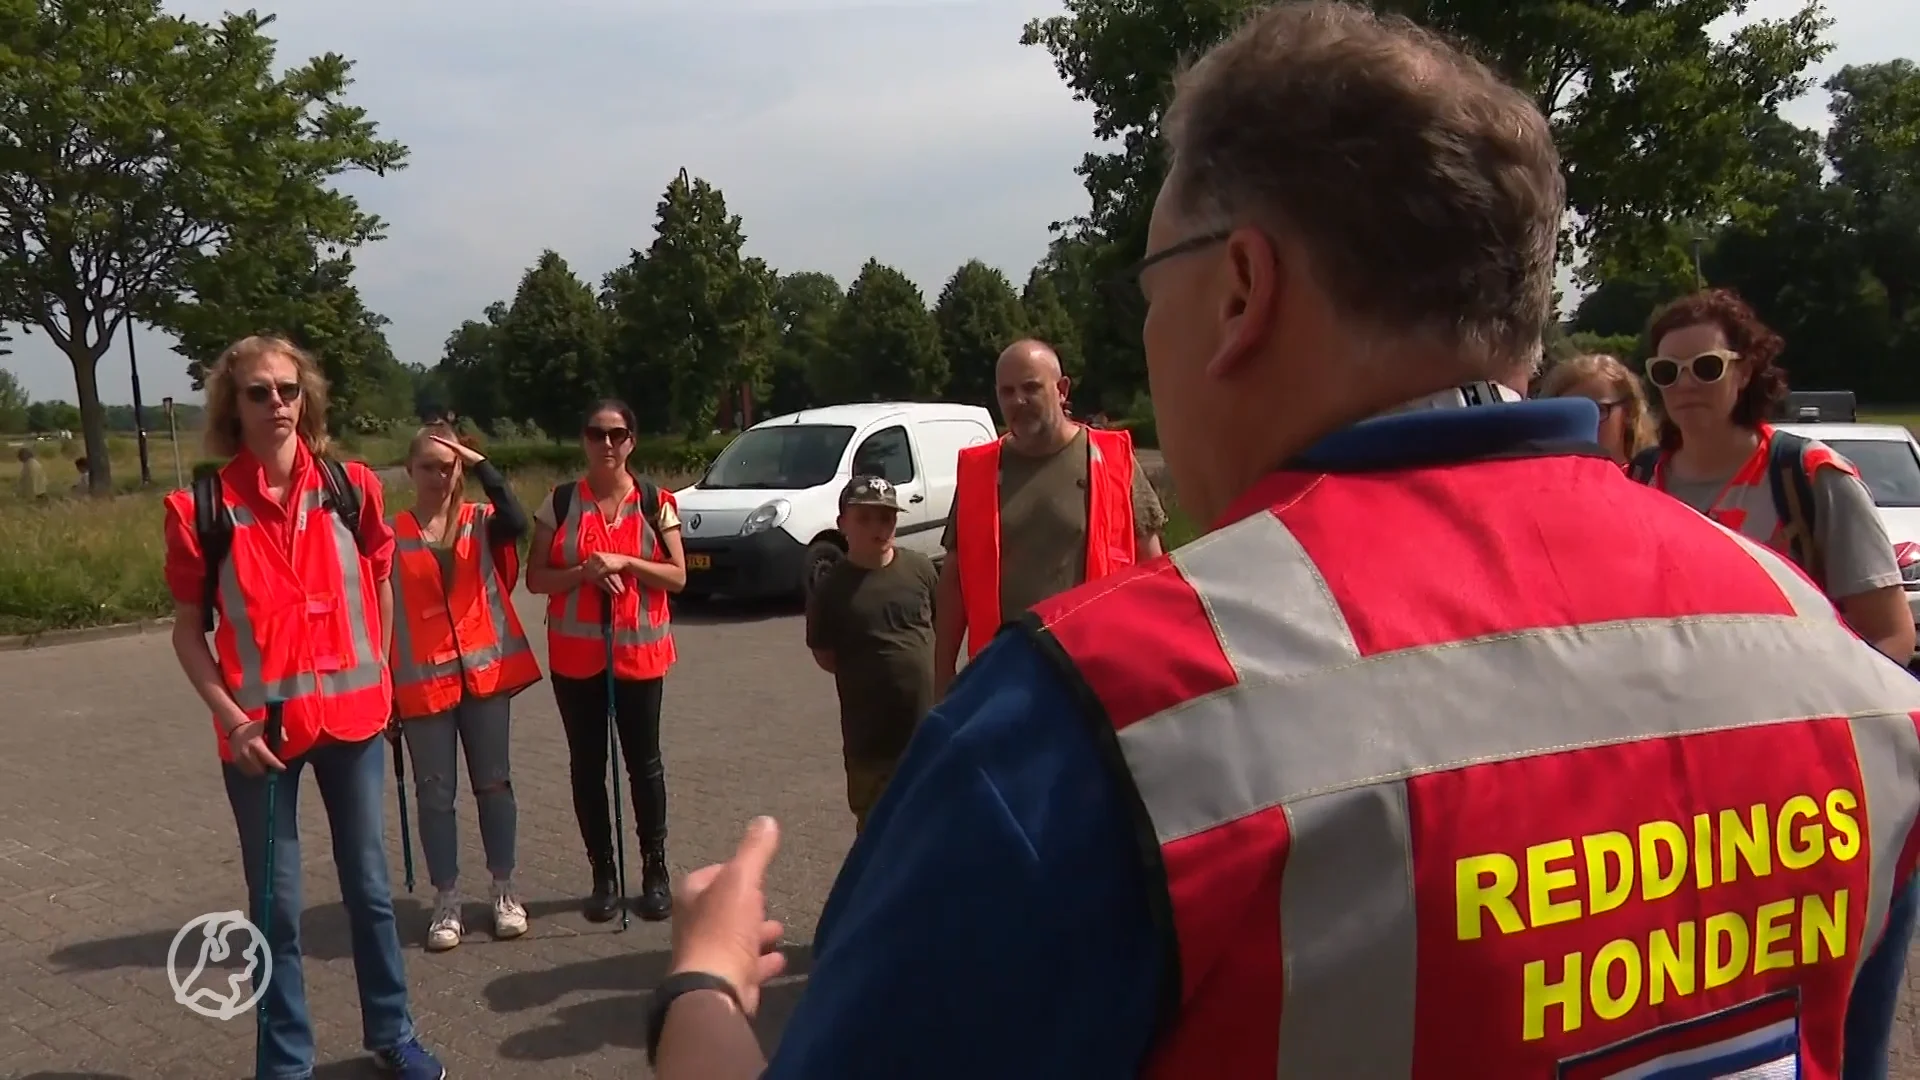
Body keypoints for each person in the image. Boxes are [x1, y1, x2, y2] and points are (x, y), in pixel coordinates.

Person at [644, 6, 1920, 1079]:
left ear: (1243, 290)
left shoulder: (1096, 721)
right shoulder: (1832, 667)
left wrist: (699, 990)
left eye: (1152, 285)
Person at [161, 335, 444, 1080]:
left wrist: (384, 679)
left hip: (354, 726)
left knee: (371, 892)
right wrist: (232, 719)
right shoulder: (202, 508)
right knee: (277, 908)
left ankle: (392, 1033)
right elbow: (188, 633)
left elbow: (380, 581)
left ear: (306, 397)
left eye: (288, 389)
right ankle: (286, 1062)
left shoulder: (353, 488)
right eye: (259, 392)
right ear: (233, 405)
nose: (277, 404)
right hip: (260, 740)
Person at [1631, 288, 1914, 663]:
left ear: (1744, 372)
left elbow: (1891, 634)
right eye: (1667, 371)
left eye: (1706, 367)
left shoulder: (1811, 476)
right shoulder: (1637, 481)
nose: (1684, 384)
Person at [525, 399, 686, 923]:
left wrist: (626, 562)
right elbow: (536, 579)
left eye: (618, 434)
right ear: (584, 440)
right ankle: (604, 874)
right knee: (588, 767)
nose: (608, 443)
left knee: (645, 765)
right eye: (597, 434)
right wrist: (584, 573)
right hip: (577, 658)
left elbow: (678, 576)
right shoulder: (560, 502)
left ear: (632, 441)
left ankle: (655, 870)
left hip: (640, 653)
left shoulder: (655, 501)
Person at [933, 339, 1167, 696]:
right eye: (1007, 392)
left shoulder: (1110, 459)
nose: (1018, 401)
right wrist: (942, 673)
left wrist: (1156, 661)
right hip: (1002, 677)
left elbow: (1152, 569)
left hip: (1094, 675)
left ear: (1062, 390)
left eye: (1031, 388)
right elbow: (954, 579)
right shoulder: (979, 470)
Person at [388, 422, 541, 952]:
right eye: (429, 466)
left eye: (449, 467)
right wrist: (384, 693)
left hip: (484, 676)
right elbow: (377, 615)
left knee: (495, 785)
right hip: (422, 684)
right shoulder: (390, 534)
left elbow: (518, 521)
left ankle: (504, 890)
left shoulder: (480, 521)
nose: (440, 476)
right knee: (435, 795)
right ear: (410, 470)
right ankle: (447, 899)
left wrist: (482, 467)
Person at [804, 475, 940, 835]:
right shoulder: (832, 588)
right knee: (877, 834)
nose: (878, 528)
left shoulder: (920, 570)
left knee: (929, 830)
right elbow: (825, 654)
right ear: (842, 523)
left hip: (925, 731)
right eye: (864, 519)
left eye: (886, 518)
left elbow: (939, 628)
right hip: (869, 740)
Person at [1538, 352, 1656, 463]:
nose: (1583, 425)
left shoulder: (1652, 473)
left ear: (1629, 411)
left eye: (1597, 410)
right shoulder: (1543, 475)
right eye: (1571, 414)